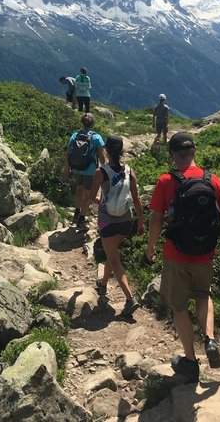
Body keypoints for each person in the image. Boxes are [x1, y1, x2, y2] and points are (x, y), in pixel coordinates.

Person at [144, 132, 220, 383]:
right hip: (205, 254)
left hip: (176, 255)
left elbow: (156, 219)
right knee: (203, 295)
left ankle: (190, 361)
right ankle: (209, 338)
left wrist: (151, 247)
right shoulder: (213, 181)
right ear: (194, 152)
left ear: (174, 155)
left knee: (178, 307)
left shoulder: (166, 181)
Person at [84, 135, 145, 319]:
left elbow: (91, 197)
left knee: (115, 259)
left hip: (107, 221)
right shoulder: (129, 171)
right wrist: (141, 222)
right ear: (122, 151)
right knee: (113, 255)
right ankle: (103, 284)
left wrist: (102, 201)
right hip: (126, 221)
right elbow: (136, 199)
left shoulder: (100, 172)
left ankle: (129, 299)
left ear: (106, 151)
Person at [67, 112, 105, 227]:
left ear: (82, 123)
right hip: (90, 170)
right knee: (89, 194)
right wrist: (106, 169)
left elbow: (68, 152)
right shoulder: (96, 137)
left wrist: (67, 168)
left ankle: (76, 213)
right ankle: (82, 219)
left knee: (79, 190)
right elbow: (102, 156)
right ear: (93, 123)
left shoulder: (75, 135)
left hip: (76, 168)